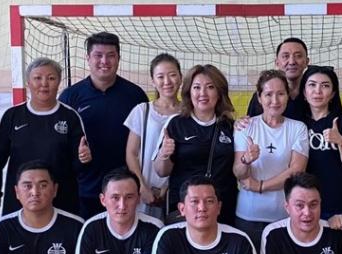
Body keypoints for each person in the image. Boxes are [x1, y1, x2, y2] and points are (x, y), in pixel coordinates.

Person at [0, 57, 90, 215]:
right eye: (38, 78)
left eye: (51, 78)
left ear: (59, 82)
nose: (44, 83)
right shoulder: (12, 115)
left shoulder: (70, 117)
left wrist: (84, 159)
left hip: (62, 203)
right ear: (28, 82)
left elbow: (80, 167)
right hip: (19, 204)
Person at [59, 32, 149, 219]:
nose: (104, 61)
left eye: (110, 55)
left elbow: (144, 145)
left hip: (125, 191)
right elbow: (60, 143)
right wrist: (77, 154)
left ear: (119, 58)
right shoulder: (70, 96)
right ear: (88, 58)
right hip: (84, 190)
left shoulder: (135, 95)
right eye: (98, 55)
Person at [233, 70, 309, 251]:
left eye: (280, 94)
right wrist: (246, 160)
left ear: (287, 96)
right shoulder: (245, 126)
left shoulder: (298, 128)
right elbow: (238, 173)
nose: (275, 100)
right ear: (259, 98)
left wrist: (260, 186)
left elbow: (296, 170)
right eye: (268, 94)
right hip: (248, 216)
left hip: (284, 216)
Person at [153, 64, 238, 225]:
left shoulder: (230, 126)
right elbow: (161, 171)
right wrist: (164, 154)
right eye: (197, 87)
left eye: (210, 87)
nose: (203, 93)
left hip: (222, 207)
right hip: (184, 208)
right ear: (189, 92)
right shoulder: (176, 124)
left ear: (219, 92)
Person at [299, 66, 342, 231]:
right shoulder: (297, 122)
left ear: (333, 93)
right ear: (304, 92)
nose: (318, 91)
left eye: (325, 86)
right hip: (309, 204)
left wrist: (340, 142)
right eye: (312, 85)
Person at [124, 53, 182, 221]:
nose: (167, 81)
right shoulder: (142, 111)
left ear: (180, 77)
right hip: (145, 193)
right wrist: (141, 186)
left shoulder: (188, 114)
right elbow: (131, 153)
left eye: (172, 75)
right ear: (153, 81)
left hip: (176, 193)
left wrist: (168, 187)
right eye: (160, 77)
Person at [245, 37, 311, 122]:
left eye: (298, 56)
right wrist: (239, 123)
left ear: (307, 62)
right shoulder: (264, 95)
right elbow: (251, 123)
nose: (292, 62)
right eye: (285, 56)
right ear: (277, 62)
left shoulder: (315, 93)